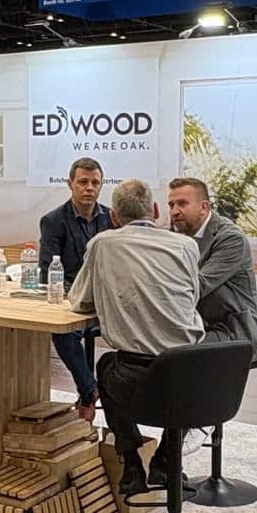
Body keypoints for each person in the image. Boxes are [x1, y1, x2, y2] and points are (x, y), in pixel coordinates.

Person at [68, 179, 203, 495]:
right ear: (156, 211)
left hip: (134, 380)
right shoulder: (187, 246)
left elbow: (79, 302)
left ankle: (130, 463)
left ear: (113, 217)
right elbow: (191, 299)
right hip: (192, 375)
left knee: (106, 365)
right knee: (178, 383)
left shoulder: (103, 243)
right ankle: (166, 460)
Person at [166, 177, 257, 364]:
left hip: (232, 330)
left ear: (204, 207)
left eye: (182, 204)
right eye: (171, 205)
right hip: (198, 323)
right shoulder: (178, 236)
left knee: (167, 354)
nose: (174, 211)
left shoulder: (230, 238)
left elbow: (199, 285)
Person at [38, 157, 111, 420]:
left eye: (95, 183)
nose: (89, 188)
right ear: (70, 184)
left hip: (107, 300)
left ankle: (123, 404)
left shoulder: (112, 219)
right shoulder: (53, 221)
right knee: (63, 332)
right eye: (83, 182)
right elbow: (48, 270)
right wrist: (76, 297)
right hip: (72, 299)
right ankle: (88, 388)